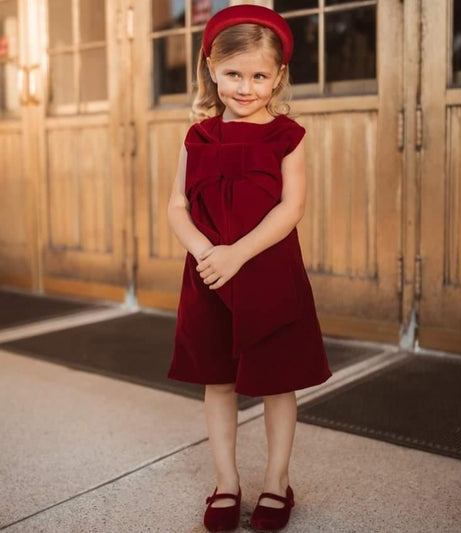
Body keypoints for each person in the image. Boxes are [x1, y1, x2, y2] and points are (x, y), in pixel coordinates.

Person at [166, 5, 332, 531]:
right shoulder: (197, 137)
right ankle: (226, 482)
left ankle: (276, 480)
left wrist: (238, 253)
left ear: (279, 76)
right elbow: (176, 206)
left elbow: (292, 208)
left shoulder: (288, 136)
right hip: (210, 275)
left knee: (278, 382)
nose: (245, 87)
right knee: (218, 381)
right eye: (234, 74)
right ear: (211, 68)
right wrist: (204, 251)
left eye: (259, 76)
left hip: (267, 274)